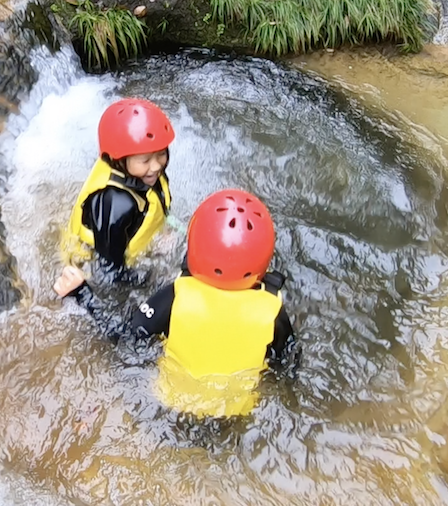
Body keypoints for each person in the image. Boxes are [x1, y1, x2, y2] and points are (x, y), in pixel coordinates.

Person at [54, 189, 296, 419]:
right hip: (234, 414)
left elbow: (125, 336)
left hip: (169, 409)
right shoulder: (273, 311)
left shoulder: (175, 296)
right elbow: (287, 361)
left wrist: (83, 294)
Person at [61, 97, 175, 281]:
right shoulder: (115, 202)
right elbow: (108, 271)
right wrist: (153, 277)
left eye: (161, 154)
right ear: (119, 160)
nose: (155, 166)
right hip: (94, 264)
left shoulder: (147, 174)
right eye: (145, 160)